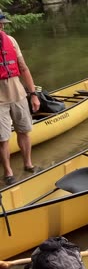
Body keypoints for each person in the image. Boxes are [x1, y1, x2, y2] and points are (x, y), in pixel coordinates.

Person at [0, 10, 40, 185]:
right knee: (2, 138)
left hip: (18, 94)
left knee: (24, 131)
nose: (2, 26)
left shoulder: (11, 41)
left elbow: (23, 68)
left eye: (3, 24)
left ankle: (28, 164)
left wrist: (33, 95)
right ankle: (8, 172)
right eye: (0, 23)